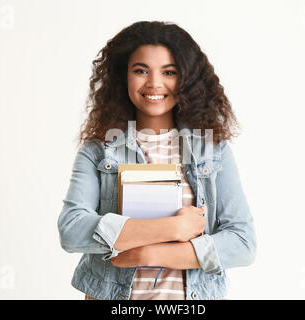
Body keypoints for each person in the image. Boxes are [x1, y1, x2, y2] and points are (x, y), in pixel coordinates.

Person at [57, 21, 257, 300]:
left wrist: (151, 252)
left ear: (186, 79)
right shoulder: (100, 151)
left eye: (169, 72)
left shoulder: (211, 150)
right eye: (141, 70)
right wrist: (173, 228)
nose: (154, 83)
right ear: (123, 76)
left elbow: (243, 242)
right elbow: (72, 230)